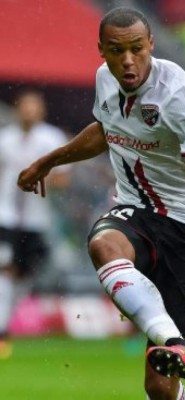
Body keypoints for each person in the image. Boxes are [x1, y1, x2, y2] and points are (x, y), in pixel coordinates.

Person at [17, 7, 185, 400]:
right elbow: (106, 130)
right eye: (117, 51)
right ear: (102, 51)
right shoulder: (105, 81)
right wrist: (50, 160)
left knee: (160, 390)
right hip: (138, 212)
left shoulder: (181, 97)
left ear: (151, 44)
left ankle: (174, 355)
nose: (128, 60)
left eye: (136, 49)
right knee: (103, 243)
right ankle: (171, 340)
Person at [0, 90, 70, 359]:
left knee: (23, 277)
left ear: (41, 111)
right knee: (5, 270)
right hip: (4, 217)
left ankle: (5, 323)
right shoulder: (5, 139)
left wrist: (43, 177)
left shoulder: (51, 138)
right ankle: (2, 332)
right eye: (25, 107)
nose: (29, 112)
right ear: (19, 110)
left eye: (34, 107)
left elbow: (64, 179)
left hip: (36, 220)